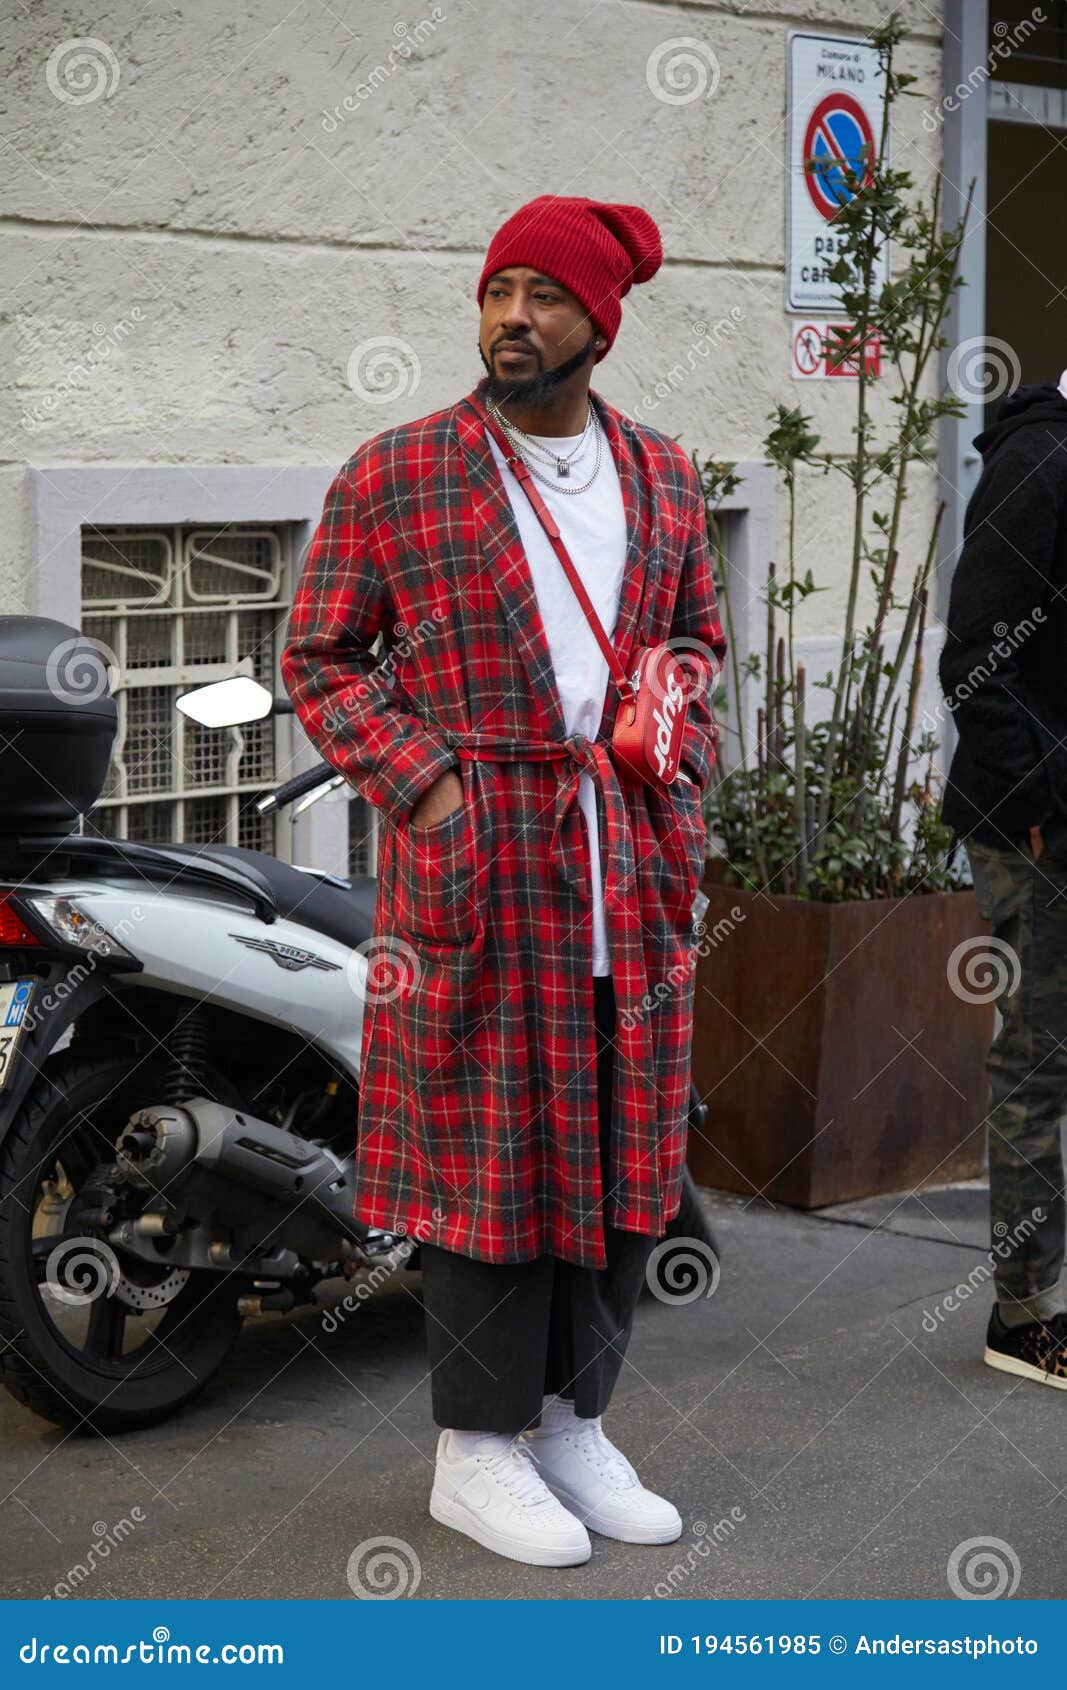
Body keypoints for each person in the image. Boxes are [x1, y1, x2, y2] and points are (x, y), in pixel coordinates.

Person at [281, 194, 725, 1564]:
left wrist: (672, 728)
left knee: (611, 1145)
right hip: (480, 870)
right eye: (495, 291)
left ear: (598, 323)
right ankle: (473, 1450)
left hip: (623, 868)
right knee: (488, 1154)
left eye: (541, 296)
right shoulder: (401, 472)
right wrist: (430, 784)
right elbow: (320, 656)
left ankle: (572, 1419)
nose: (509, 318)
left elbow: (694, 641)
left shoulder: (657, 472)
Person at [938, 370, 1067, 1390]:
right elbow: (974, 649)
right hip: (1038, 828)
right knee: (1037, 1065)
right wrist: (1033, 797)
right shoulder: (1040, 456)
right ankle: (1022, 1314)